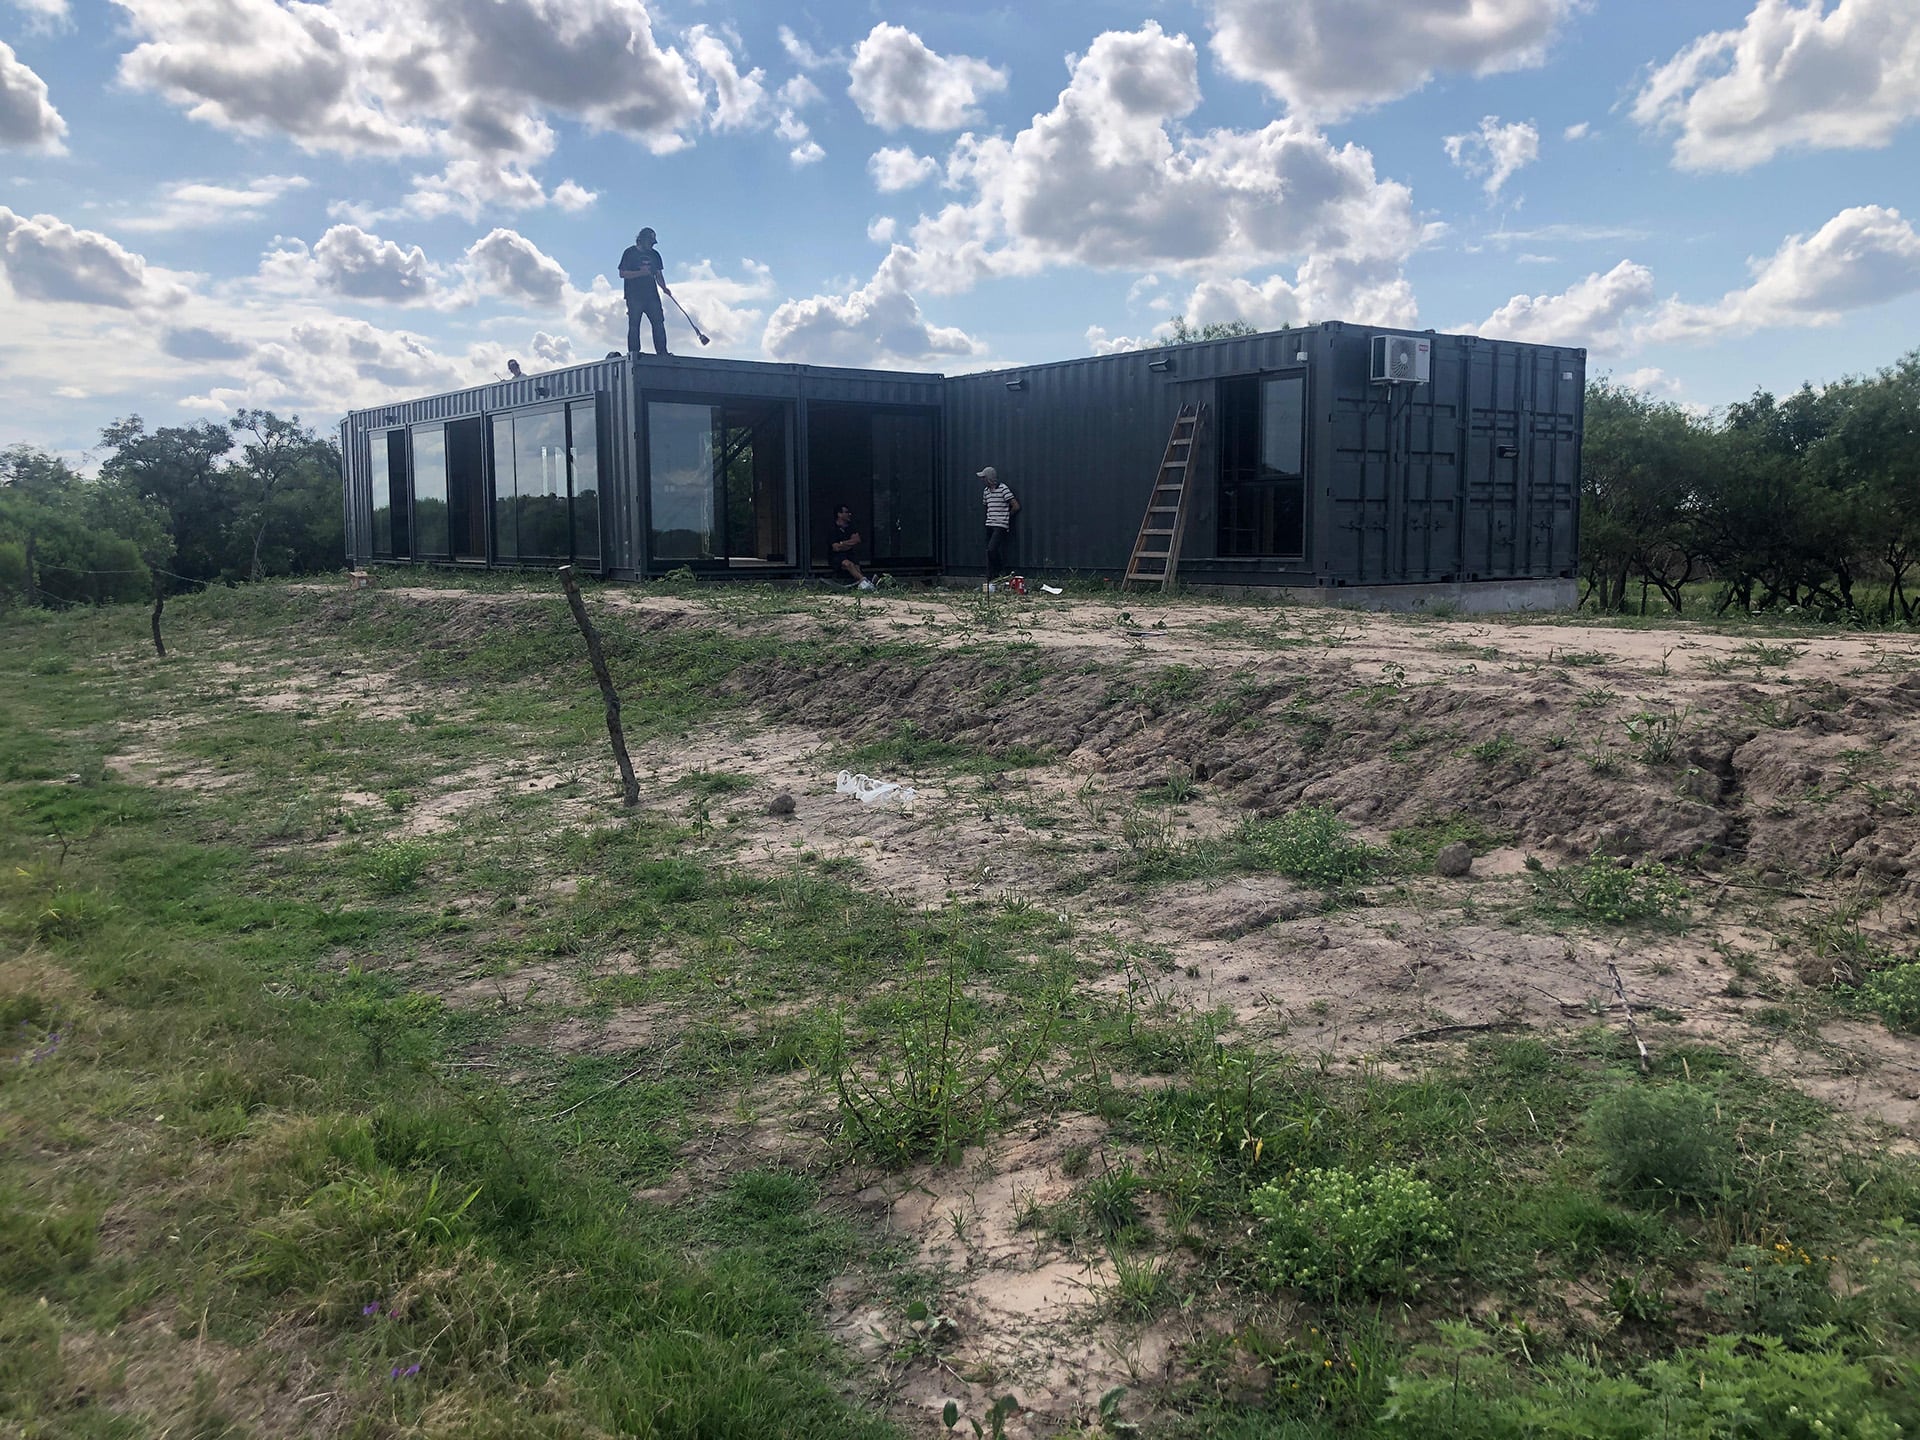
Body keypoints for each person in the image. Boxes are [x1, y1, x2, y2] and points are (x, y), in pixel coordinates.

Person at [618, 227, 671, 356]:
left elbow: (658, 274)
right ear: (641, 240)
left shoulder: (655, 255)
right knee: (634, 323)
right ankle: (634, 353)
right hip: (634, 295)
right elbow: (622, 273)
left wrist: (664, 287)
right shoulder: (629, 253)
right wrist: (640, 273)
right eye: (650, 242)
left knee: (658, 323)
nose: (652, 245)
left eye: (653, 243)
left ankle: (662, 353)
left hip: (652, 295)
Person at [978, 465, 1019, 589]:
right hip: (989, 524)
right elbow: (986, 506)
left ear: (989, 478)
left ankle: (1001, 571)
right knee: (990, 551)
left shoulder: (1003, 489)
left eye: (984, 477)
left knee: (992, 549)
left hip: (1000, 525)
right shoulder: (986, 491)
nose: (982, 480)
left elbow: (1016, 506)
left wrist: (1006, 517)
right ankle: (992, 576)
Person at [828, 504, 875, 590]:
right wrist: (848, 543)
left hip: (850, 554)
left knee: (856, 567)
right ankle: (864, 582)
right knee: (848, 564)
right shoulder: (832, 528)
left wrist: (842, 543)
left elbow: (857, 540)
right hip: (836, 556)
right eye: (846, 512)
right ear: (839, 514)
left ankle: (863, 583)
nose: (849, 514)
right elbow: (836, 547)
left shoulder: (851, 526)